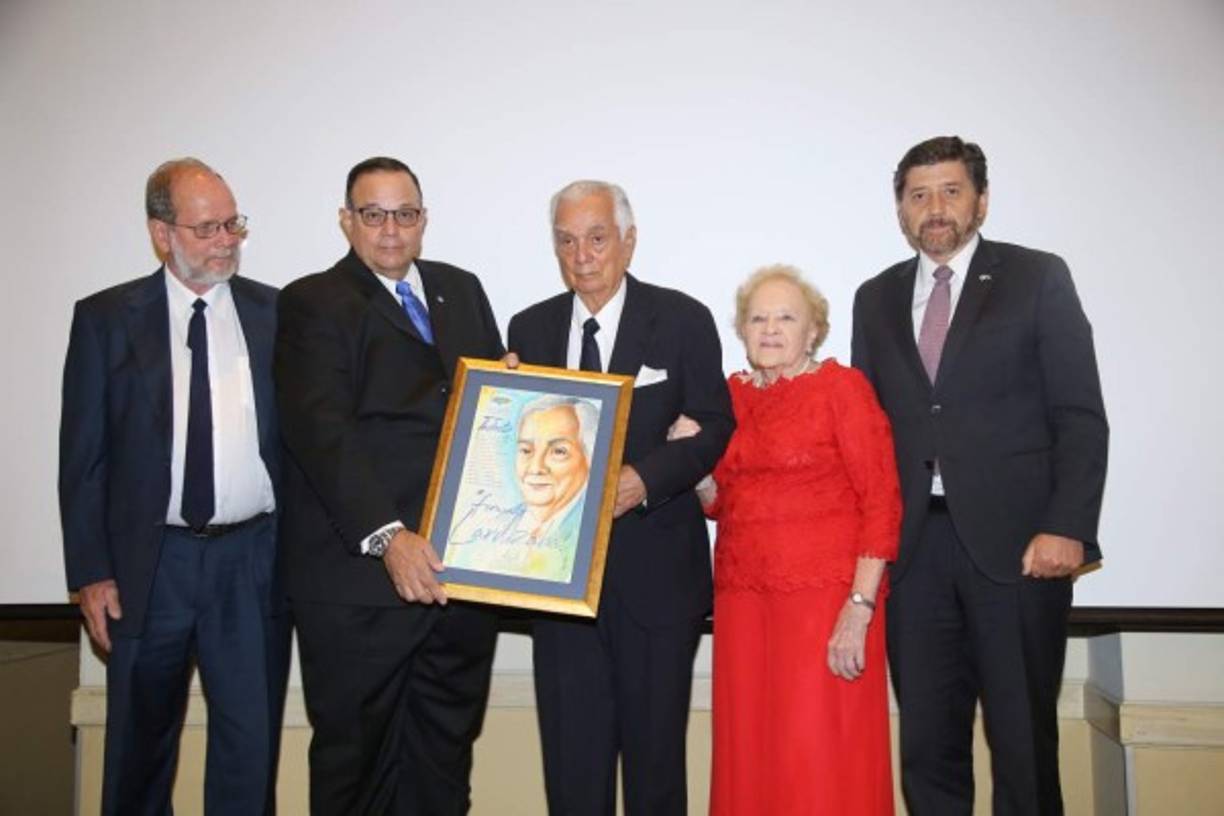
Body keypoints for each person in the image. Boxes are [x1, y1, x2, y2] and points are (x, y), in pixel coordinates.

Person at [851, 136, 1109, 815]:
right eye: (918, 195)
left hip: (1020, 551)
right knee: (928, 749)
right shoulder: (873, 299)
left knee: (1023, 744)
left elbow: (1080, 414)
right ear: (900, 211)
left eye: (951, 191)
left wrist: (1067, 527)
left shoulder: (1037, 277)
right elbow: (866, 437)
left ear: (981, 201)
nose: (934, 208)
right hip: (913, 557)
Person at [275, 157, 505, 815]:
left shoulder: (461, 290)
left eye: (404, 214)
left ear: (423, 220)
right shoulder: (313, 300)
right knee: (356, 768)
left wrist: (507, 386)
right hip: (361, 586)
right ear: (347, 221)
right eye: (373, 215)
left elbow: (479, 412)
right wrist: (389, 537)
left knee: (444, 759)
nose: (390, 230)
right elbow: (321, 432)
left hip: (460, 581)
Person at [59, 158, 288, 815]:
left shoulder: (275, 314)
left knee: (249, 751)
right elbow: (82, 458)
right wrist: (91, 571)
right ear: (162, 233)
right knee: (138, 750)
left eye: (233, 224)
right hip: (147, 566)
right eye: (208, 227)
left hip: (251, 562)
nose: (227, 241)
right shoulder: (106, 319)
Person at [507, 180, 735, 815]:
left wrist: (644, 480)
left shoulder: (683, 318)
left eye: (598, 237)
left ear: (629, 241)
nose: (583, 254)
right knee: (572, 773)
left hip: (657, 584)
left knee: (656, 770)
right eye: (567, 240)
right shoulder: (529, 327)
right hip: (557, 591)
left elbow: (714, 425)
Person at [671, 264, 901, 815]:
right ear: (742, 330)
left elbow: (882, 501)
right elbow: (722, 502)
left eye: (786, 317)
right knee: (752, 753)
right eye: (758, 318)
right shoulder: (730, 397)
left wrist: (860, 606)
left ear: (813, 330)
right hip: (742, 603)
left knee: (817, 759)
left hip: (825, 605)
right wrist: (694, 463)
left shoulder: (841, 389)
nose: (770, 329)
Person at [445, 395, 597, 581]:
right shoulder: (483, 531)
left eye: (558, 451)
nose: (535, 468)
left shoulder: (589, 534)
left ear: (589, 458)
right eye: (526, 450)